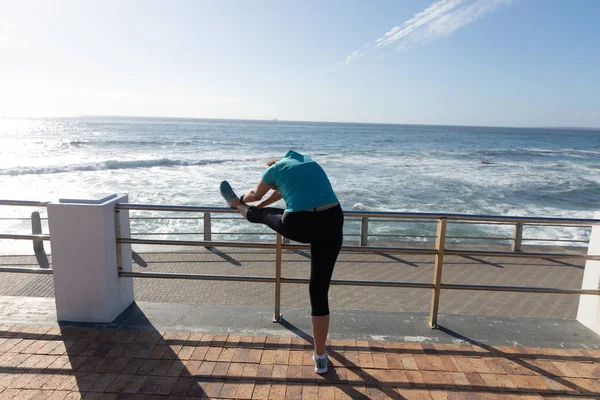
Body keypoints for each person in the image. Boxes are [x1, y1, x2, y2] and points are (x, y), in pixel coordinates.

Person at [223, 150, 343, 374]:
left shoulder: (274, 169)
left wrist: (241, 200)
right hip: (332, 220)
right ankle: (320, 357)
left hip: (300, 224)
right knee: (319, 290)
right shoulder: (307, 162)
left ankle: (236, 207)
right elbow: (281, 193)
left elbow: (255, 194)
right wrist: (265, 201)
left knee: (265, 215)